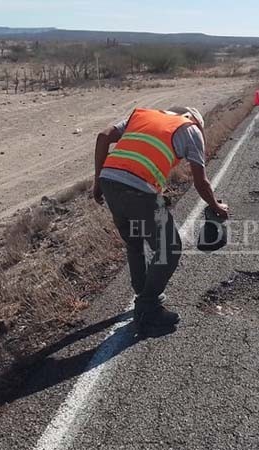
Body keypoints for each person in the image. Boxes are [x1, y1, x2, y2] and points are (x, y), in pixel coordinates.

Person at [93, 106, 228, 334]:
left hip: (110, 181)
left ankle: (141, 291)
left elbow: (103, 136)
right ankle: (148, 308)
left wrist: (98, 181)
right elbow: (201, 181)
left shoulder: (143, 115)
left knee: (135, 241)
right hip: (138, 189)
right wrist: (216, 206)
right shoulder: (191, 130)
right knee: (170, 248)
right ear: (194, 120)